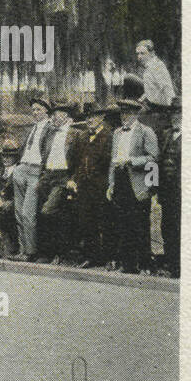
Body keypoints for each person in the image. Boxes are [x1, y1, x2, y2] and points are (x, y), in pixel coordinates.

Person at [108, 99, 158, 274]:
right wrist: (111, 183)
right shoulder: (116, 133)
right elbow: (112, 162)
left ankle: (145, 263)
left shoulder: (146, 131)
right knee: (123, 223)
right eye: (122, 113)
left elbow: (153, 158)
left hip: (137, 183)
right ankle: (128, 264)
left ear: (136, 114)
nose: (124, 116)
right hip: (120, 180)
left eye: (128, 113)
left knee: (140, 224)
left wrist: (132, 161)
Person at [36, 100, 81, 264]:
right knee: (45, 212)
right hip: (48, 175)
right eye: (54, 113)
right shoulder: (50, 134)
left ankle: (60, 252)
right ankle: (49, 252)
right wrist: (42, 176)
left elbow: (79, 160)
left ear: (67, 116)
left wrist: (72, 179)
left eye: (59, 113)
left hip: (63, 177)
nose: (55, 116)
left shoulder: (75, 133)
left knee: (48, 211)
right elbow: (43, 155)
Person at [11, 96, 54, 261]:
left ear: (46, 111)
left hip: (36, 171)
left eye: (39, 109)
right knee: (19, 212)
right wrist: (18, 168)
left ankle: (31, 251)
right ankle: (22, 250)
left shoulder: (50, 128)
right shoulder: (32, 128)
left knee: (28, 213)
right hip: (22, 168)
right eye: (33, 110)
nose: (35, 112)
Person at [73, 103, 115, 269]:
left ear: (102, 117)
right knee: (87, 221)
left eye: (94, 116)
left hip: (102, 186)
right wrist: (75, 179)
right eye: (87, 117)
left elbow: (110, 162)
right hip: (84, 186)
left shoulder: (109, 136)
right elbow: (77, 162)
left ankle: (109, 257)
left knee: (105, 221)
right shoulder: (82, 137)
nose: (90, 120)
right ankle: (92, 256)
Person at [156, 102, 181, 278]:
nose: (176, 116)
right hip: (167, 191)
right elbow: (156, 162)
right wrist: (153, 187)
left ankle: (180, 265)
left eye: (179, 112)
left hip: (184, 192)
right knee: (167, 226)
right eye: (173, 113)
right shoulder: (165, 135)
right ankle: (171, 263)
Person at [135, 39, 176, 136]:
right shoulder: (151, 66)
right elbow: (153, 88)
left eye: (142, 53)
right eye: (137, 54)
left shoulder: (157, 67)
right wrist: (141, 99)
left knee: (136, 126)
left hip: (159, 111)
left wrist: (168, 112)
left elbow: (167, 88)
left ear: (152, 53)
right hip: (152, 108)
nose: (139, 57)